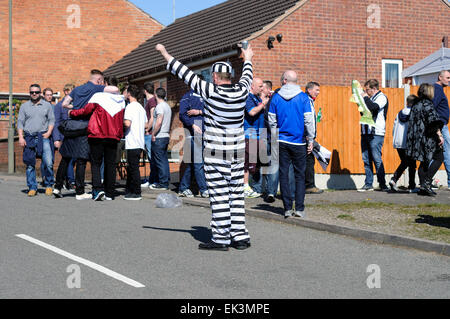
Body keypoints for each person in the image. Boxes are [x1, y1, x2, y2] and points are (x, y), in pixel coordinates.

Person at [156, 43, 253, 251]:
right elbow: (248, 74)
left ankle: (220, 238)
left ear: (216, 77)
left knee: (218, 195)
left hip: (216, 152)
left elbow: (184, 73)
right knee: (236, 194)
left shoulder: (209, 91)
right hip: (236, 152)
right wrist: (248, 55)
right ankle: (240, 236)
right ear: (230, 78)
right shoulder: (242, 91)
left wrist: (165, 53)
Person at [59, 69, 119, 200]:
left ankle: (59, 187)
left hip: (74, 126)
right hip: (90, 128)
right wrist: (104, 87)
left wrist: (73, 109)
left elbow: (64, 104)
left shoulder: (77, 89)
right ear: (99, 80)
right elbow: (114, 89)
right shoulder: (99, 90)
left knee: (68, 157)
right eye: (102, 82)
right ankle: (95, 192)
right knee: (85, 160)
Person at [268, 71, 315, 219]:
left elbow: (271, 120)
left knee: (283, 174)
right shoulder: (303, 98)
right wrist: (311, 139)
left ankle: (287, 208)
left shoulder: (276, 97)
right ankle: (299, 208)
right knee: (299, 175)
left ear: (284, 80)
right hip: (298, 142)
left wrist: (275, 137)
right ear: (296, 81)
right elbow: (309, 120)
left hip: (281, 140)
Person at [406, 84, 444, 196]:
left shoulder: (416, 104)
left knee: (424, 161)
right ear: (429, 92)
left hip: (416, 139)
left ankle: (423, 187)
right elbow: (433, 122)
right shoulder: (428, 104)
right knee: (439, 157)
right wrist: (439, 135)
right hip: (427, 137)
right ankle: (426, 183)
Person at [17, 84, 55, 197]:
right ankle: (32, 187)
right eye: (32, 92)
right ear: (29, 93)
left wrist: (48, 133)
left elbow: (52, 120)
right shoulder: (24, 106)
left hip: (43, 137)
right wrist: (20, 137)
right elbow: (20, 122)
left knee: (48, 163)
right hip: (29, 137)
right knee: (30, 164)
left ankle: (48, 185)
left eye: (36, 92)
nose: (34, 94)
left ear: (40, 93)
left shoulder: (47, 105)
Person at [358, 79, 389, 192]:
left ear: (374, 89)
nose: (366, 92)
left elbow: (374, 107)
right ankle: (368, 184)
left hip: (376, 133)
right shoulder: (369, 98)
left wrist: (365, 98)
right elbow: (364, 112)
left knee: (376, 159)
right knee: (366, 159)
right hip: (365, 131)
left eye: (368, 90)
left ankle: (382, 184)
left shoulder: (382, 97)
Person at [178, 88, 208, 198]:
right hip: (193, 134)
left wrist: (199, 112)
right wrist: (192, 124)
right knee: (198, 162)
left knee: (192, 163)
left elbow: (213, 111)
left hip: (204, 133)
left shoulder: (206, 96)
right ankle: (204, 189)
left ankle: (184, 188)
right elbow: (182, 114)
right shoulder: (188, 96)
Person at [243, 77, 269, 198]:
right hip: (250, 134)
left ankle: (253, 186)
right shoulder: (248, 97)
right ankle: (245, 187)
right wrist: (263, 103)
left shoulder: (257, 98)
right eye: (260, 86)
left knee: (255, 163)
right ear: (252, 86)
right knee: (247, 163)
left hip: (259, 134)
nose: (262, 88)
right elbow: (252, 112)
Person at [123, 85, 148, 200]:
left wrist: (120, 124)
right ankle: (130, 190)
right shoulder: (141, 108)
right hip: (139, 141)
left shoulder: (130, 107)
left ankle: (136, 192)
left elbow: (127, 123)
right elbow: (146, 125)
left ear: (129, 94)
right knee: (133, 167)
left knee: (133, 168)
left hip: (132, 141)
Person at [389, 95, 417, 192]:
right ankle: (412, 186)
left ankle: (394, 180)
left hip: (398, 142)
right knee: (412, 164)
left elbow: (394, 128)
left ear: (407, 102)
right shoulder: (414, 114)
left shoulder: (399, 113)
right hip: (408, 143)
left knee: (405, 162)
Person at [52, 84, 76, 191]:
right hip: (63, 137)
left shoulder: (76, 105)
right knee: (68, 159)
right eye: (71, 91)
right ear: (66, 92)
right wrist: (56, 139)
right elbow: (56, 123)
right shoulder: (59, 106)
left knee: (71, 160)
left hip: (74, 137)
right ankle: (70, 181)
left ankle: (65, 181)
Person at [149, 88, 172, 190]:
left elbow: (159, 121)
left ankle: (163, 183)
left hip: (159, 136)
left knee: (159, 161)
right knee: (163, 160)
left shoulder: (159, 107)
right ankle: (165, 181)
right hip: (166, 135)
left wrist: (153, 133)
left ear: (155, 95)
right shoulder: (167, 106)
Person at [304, 82, 324, 194]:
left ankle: (308, 185)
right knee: (309, 161)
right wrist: (309, 137)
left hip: (309, 137)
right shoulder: (306, 101)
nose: (318, 92)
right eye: (316, 90)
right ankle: (309, 185)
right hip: (306, 137)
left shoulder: (311, 101)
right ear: (309, 90)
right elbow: (307, 121)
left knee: (309, 161)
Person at [432, 70, 450, 190]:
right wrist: (438, 128)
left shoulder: (437, 89)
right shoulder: (437, 89)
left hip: (439, 125)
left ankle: (426, 180)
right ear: (440, 77)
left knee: (434, 154)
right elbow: (433, 107)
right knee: (447, 153)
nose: (449, 80)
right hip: (441, 126)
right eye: (447, 78)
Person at [141, 82, 158, 188]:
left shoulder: (151, 101)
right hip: (149, 133)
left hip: (149, 133)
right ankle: (152, 179)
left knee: (153, 158)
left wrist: (147, 128)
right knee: (151, 158)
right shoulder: (151, 101)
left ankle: (154, 180)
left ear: (145, 91)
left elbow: (152, 117)